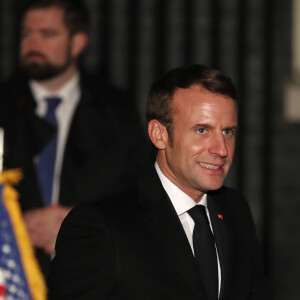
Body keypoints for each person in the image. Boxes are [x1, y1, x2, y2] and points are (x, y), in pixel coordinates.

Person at [48, 64, 268, 299]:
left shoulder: (235, 210)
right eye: (202, 130)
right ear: (159, 135)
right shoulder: (100, 226)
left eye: (228, 132)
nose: (221, 149)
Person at [0, 0, 149, 277]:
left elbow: (141, 194)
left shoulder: (115, 110)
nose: (32, 44)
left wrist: (80, 224)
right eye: (26, 34)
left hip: (91, 275)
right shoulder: (5, 106)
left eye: (47, 34)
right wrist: (13, 228)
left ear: (77, 42)